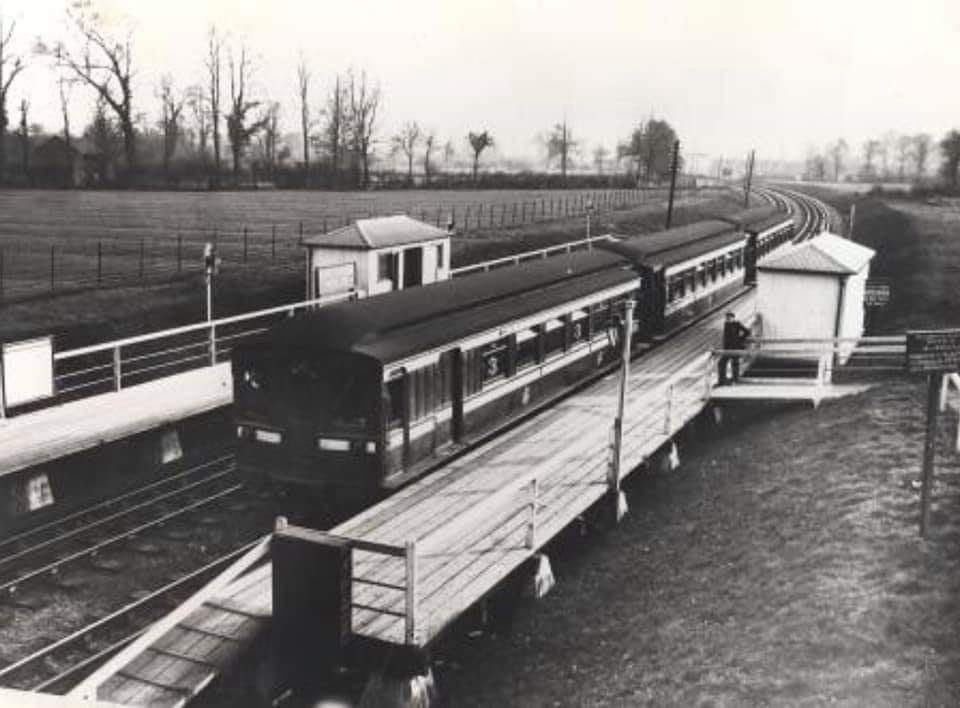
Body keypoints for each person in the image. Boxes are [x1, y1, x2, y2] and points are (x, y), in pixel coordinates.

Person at [719, 312, 751, 384]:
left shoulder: (737, 324)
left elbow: (747, 331)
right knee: (722, 363)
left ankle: (735, 379)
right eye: (727, 318)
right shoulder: (726, 324)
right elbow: (726, 337)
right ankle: (723, 379)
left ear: (733, 318)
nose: (728, 319)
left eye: (729, 317)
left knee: (734, 363)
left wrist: (739, 339)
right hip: (727, 348)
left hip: (735, 347)